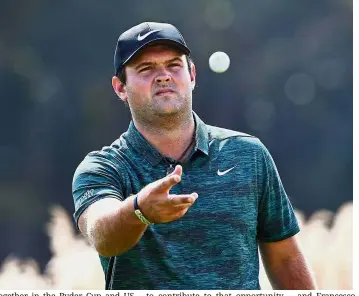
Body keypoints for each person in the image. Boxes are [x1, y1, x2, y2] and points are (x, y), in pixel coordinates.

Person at [72, 21, 316, 290]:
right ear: (120, 88)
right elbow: (103, 236)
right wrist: (139, 210)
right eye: (146, 68)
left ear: (192, 75)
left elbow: (284, 259)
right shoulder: (103, 168)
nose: (163, 76)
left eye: (174, 65)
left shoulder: (249, 154)